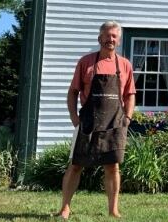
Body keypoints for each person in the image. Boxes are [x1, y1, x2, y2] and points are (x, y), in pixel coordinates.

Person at [57, 21, 136, 219]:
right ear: (99, 38)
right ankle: (65, 208)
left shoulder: (125, 65)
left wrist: (127, 117)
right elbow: (73, 92)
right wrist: (74, 117)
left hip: (115, 122)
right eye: (107, 36)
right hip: (88, 121)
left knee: (113, 166)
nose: (110, 39)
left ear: (118, 40)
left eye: (114, 36)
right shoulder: (86, 62)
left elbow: (130, 94)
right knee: (76, 165)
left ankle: (113, 209)